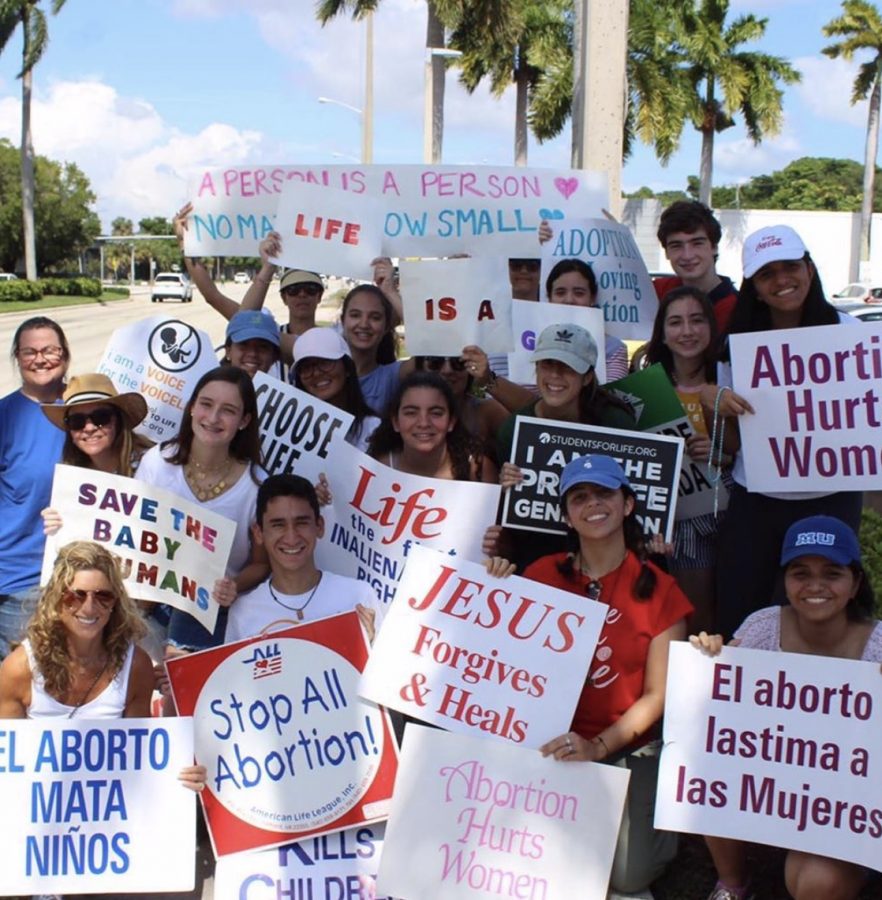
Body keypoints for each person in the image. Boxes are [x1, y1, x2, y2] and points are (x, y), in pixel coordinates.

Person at [488, 454, 691, 893]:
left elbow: (657, 697)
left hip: (623, 748)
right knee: (504, 846)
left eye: (604, 493)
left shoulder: (660, 589)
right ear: (566, 515)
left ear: (628, 505)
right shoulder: (540, 575)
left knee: (627, 875)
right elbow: (498, 660)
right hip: (543, 742)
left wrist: (598, 748)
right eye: (579, 497)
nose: (592, 504)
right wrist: (496, 583)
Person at [691, 515, 879, 900]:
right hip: (777, 787)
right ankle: (732, 883)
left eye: (832, 573)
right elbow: (722, 712)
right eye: (800, 573)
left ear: (855, 582)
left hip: (846, 804)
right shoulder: (763, 627)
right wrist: (712, 660)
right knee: (711, 769)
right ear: (785, 580)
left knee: (811, 884)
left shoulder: (878, 645)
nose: (815, 586)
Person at [710, 225, 863, 639]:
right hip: (757, 499)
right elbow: (736, 445)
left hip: (833, 497)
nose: (782, 281)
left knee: (823, 614)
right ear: (754, 288)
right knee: (742, 611)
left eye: (790, 267)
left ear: (809, 270)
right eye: (767, 274)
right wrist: (721, 407)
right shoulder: (736, 347)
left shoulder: (855, 335)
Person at [0, 540, 206, 777]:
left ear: (115, 604)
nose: (89, 608)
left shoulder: (136, 666)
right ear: (56, 600)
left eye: (103, 597)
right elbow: (7, 774)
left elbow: (137, 764)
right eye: (75, 596)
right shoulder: (19, 669)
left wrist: (179, 774)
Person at [136, 367, 268, 650]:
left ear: (244, 421)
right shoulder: (157, 463)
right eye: (206, 404)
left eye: (228, 410)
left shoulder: (257, 486)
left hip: (214, 621)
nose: (213, 417)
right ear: (192, 407)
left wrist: (235, 584)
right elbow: (131, 531)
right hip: (150, 611)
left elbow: (261, 563)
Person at [495, 323, 636, 570]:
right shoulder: (514, 429)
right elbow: (506, 519)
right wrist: (505, 486)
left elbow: (638, 492)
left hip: (608, 552)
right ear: (536, 369)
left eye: (568, 367)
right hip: (539, 554)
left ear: (588, 377)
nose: (555, 376)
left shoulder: (616, 423)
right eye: (547, 364)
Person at [639, 286, 730, 631]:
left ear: (711, 325)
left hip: (734, 510)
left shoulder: (729, 378)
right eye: (675, 322)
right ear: (662, 331)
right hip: (683, 518)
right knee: (697, 618)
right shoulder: (646, 391)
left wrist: (723, 453)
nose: (687, 331)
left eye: (697, 320)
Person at [225, 475, 380, 643]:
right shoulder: (243, 613)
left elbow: (388, 668)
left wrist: (369, 645)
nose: (291, 538)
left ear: (319, 526)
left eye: (301, 523)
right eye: (278, 525)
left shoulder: (359, 596)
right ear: (259, 533)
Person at [0, 317, 69, 659]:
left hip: (57, 578)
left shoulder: (87, 412)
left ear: (65, 356)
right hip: (12, 575)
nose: (40, 359)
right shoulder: (5, 415)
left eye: (50, 350)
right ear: (17, 358)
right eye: (29, 352)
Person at [367, 371, 497, 482]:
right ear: (396, 422)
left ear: (451, 422)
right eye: (411, 413)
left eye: (436, 413)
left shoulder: (477, 469)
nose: (424, 423)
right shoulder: (377, 468)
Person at [40, 373, 150, 477]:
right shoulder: (70, 479)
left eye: (101, 417)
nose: (89, 428)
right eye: (77, 421)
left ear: (119, 420)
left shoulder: (151, 466)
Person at [653, 200, 738, 333]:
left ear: (714, 247)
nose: (687, 255)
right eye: (676, 246)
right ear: (666, 252)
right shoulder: (656, 292)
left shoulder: (739, 308)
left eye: (697, 243)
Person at [291, 326, 380, 452]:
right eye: (306, 367)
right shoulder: (292, 429)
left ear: (347, 368)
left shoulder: (373, 428)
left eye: (325, 363)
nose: (316, 373)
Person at [545, 258, 630, 381]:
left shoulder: (613, 349)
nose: (569, 300)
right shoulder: (527, 342)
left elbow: (610, 396)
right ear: (549, 297)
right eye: (560, 292)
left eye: (579, 293)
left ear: (593, 297)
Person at [413, 354, 508, 464]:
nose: (447, 370)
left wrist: (488, 379)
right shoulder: (404, 412)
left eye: (458, 362)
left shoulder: (489, 412)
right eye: (435, 362)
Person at [341, 283, 410, 416]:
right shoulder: (323, 369)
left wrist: (390, 291)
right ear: (342, 320)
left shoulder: (392, 376)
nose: (364, 324)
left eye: (375, 317)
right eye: (355, 315)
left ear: (386, 326)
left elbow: (428, 350)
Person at [222, 308, 282, 378]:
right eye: (243, 344)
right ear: (228, 351)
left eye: (262, 347)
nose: (253, 353)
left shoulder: (285, 388)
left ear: (274, 356)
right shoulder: (209, 387)